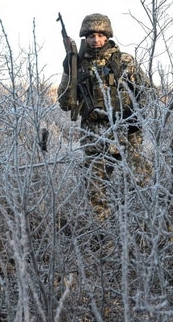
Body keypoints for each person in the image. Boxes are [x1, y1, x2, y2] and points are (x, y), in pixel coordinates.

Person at [57, 13, 153, 220]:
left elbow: (147, 92)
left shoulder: (124, 61)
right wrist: (69, 71)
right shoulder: (77, 64)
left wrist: (135, 116)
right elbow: (65, 104)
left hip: (126, 133)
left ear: (108, 35)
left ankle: (149, 228)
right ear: (85, 37)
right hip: (94, 137)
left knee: (142, 182)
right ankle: (105, 236)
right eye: (91, 35)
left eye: (101, 35)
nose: (96, 40)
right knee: (95, 191)